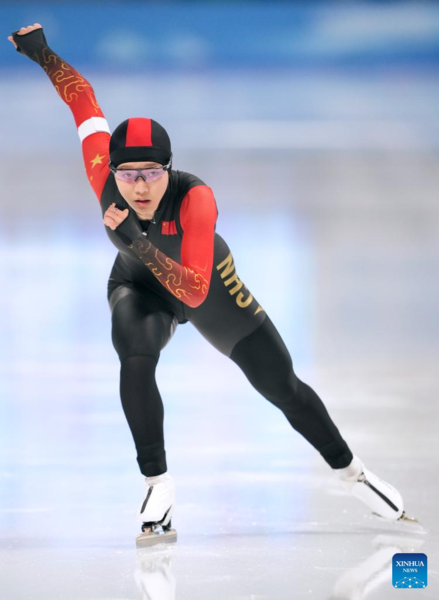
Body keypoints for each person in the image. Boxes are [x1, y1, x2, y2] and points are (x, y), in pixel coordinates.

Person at [8, 24, 415, 545]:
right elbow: (83, 101)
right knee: (135, 356)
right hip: (139, 286)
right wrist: (44, 54)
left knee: (281, 386)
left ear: (169, 170)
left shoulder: (195, 197)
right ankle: (157, 484)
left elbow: (195, 292)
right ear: (110, 170)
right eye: (126, 174)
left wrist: (136, 240)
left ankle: (352, 471)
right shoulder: (101, 175)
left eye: (151, 173)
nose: (138, 186)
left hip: (207, 284)